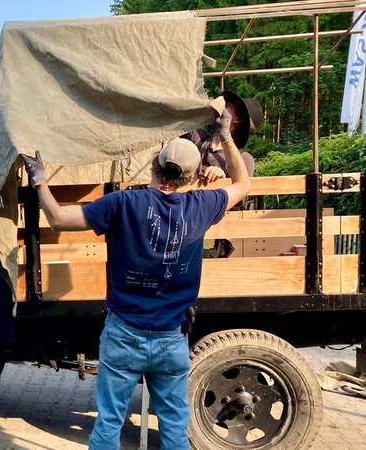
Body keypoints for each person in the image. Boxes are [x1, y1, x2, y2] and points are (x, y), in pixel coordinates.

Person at [20, 110, 251, 449]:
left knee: (109, 423)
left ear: (154, 165)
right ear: (190, 177)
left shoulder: (124, 203)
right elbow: (243, 184)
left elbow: (56, 220)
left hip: (123, 334)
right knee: (174, 428)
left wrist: (38, 177)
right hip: (171, 339)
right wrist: (225, 134)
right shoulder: (202, 205)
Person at [182, 91, 263, 183]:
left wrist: (222, 180)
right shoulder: (198, 137)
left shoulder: (244, 159)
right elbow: (178, 114)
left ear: (238, 120)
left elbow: (242, 192)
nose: (221, 107)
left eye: (227, 106)